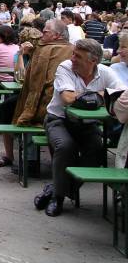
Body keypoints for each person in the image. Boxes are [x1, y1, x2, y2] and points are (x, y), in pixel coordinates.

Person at [35, 39, 127, 217]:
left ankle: (55, 188)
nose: (72, 58)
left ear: (92, 61)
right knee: (65, 146)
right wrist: (101, 95)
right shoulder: (65, 67)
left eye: (78, 56)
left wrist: (92, 96)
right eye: (73, 54)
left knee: (97, 150)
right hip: (58, 119)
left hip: (87, 124)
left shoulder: (105, 72)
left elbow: (121, 95)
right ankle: (58, 199)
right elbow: (67, 98)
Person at [0, 19, 73, 169]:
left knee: (18, 111)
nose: (42, 36)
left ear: (57, 35)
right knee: (10, 107)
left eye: (45, 32)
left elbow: (31, 85)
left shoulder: (45, 51)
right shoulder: (69, 49)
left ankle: (28, 162)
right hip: (61, 104)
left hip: (49, 106)